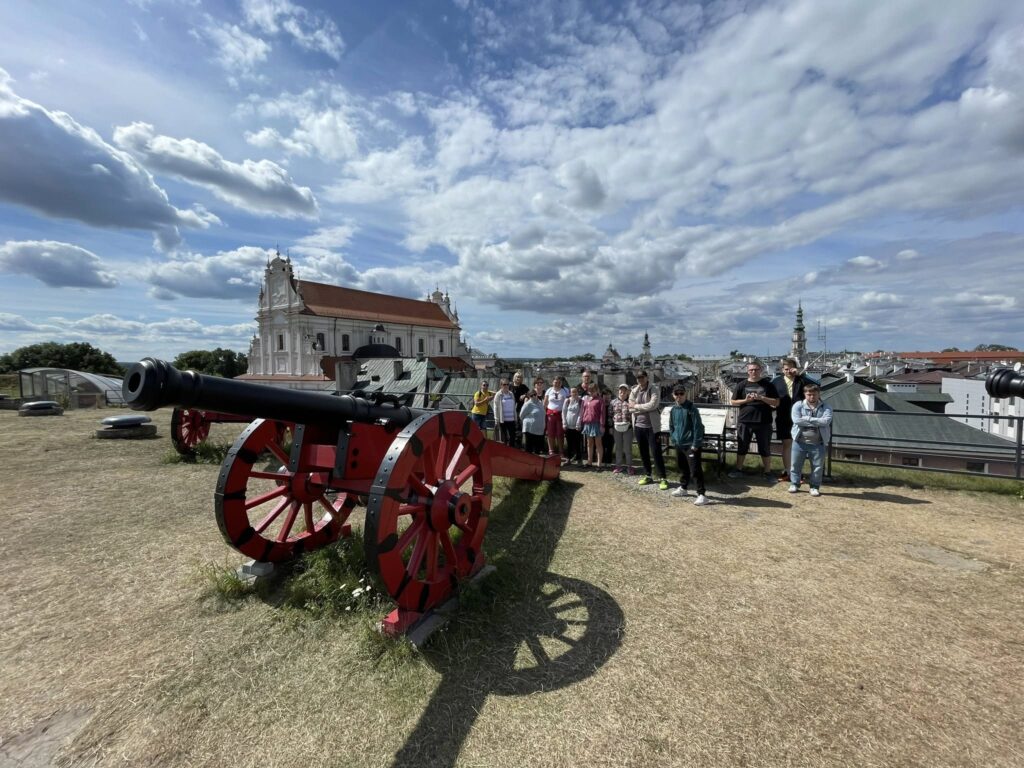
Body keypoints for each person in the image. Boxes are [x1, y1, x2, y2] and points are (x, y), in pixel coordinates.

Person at [728, 361, 779, 480]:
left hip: (764, 421)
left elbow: (776, 402)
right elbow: (733, 401)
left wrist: (762, 398)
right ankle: (738, 469)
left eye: (756, 369)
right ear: (748, 371)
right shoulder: (741, 385)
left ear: (760, 370)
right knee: (742, 446)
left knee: (765, 447)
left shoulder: (768, 385)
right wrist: (746, 400)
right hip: (745, 421)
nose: (753, 372)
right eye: (751, 370)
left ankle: (767, 472)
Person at [788, 384, 833, 496]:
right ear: (805, 394)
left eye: (814, 394)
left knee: (817, 467)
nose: (811, 397)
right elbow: (797, 420)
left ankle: (814, 486)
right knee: (795, 465)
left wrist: (807, 418)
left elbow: (826, 421)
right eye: (809, 394)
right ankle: (794, 483)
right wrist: (817, 421)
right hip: (799, 442)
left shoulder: (826, 407)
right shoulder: (798, 405)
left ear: (819, 394)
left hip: (818, 443)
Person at [668, 385, 708, 506]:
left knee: (695, 470)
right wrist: (673, 438)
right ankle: (683, 488)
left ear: (685, 394)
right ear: (673, 395)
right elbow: (671, 426)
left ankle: (702, 494)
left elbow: (698, 427)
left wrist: (696, 443)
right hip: (679, 443)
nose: (679, 396)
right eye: (676, 394)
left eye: (681, 394)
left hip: (690, 444)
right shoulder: (674, 409)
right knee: (683, 467)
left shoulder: (691, 408)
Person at [629, 370, 669, 489]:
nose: (640, 379)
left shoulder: (653, 389)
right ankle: (648, 475)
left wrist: (636, 406)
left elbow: (653, 405)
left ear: (647, 378)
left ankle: (663, 478)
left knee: (656, 452)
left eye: (642, 377)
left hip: (652, 427)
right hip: (638, 426)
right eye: (638, 377)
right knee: (643, 452)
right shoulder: (634, 391)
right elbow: (629, 408)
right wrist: (642, 408)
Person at [772, 357, 807, 481]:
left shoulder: (801, 380)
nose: (788, 371)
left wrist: (801, 374)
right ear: (782, 370)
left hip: (799, 417)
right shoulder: (776, 382)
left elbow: (817, 384)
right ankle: (788, 471)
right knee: (787, 444)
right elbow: (770, 396)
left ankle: (797, 471)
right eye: (786, 369)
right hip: (783, 417)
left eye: (791, 368)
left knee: (798, 445)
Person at [580, 382, 606, 469]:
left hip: (597, 424)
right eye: (590, 391)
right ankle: (589, 461)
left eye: (593, 391)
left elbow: (602, 413)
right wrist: (582, 421)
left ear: (597, 390)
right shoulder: (586, 400)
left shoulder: (600, 400)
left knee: (598, 443)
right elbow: (583, 411)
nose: (591, 392)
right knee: (589, 443)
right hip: (587, 423)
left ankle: (599, 464)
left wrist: (602, 425)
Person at [610, 384, 634, 474]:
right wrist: (610, 427)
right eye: (621, 391)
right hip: (616, 428)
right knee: (618, 448)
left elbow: (634, 415)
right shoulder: (613, 402)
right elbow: (610, 415)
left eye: (624, 391)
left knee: (628, 448)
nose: (622, 393)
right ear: (618, 392)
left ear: (627, 392)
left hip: (628, 428)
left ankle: (629, 466)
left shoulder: (631, 403)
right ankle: (618, 466)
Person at [543, 375, 570, 456]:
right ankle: (551, 450)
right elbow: (545, 403)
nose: (557, 384)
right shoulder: (549, 390)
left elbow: (568, 402)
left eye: (559, 382)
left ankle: (561, 450)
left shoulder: (565, 390)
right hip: (550, 415)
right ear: (552, 382)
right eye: (555, 382)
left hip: (561, 415)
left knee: (560, 433)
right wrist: (543, 414)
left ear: (561, 383)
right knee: (550, 433)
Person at [562, 386, 584, 466]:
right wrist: (564, 423)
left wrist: (578, 424)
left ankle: (579, 459)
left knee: (578, 443)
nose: (574, 393)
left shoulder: (581, 401)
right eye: (572, 392)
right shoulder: (567, 401)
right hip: (568, 426)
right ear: (570, 393)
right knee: (569, 443)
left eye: (575, 392)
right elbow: (564, 412)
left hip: (576, 426)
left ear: (578, 392)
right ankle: (568, 459)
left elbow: (580, 413)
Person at [519, 390, 547, 454]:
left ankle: (536, 463)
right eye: (531, 395)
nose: (534, 396)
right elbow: (521, 415)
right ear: (529, 397)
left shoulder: (540, 403)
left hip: (539, 430)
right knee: (529, 449)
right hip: (530, 429)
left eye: (535, 394)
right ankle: (528, 462)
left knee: (538, 449)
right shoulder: (528, 404)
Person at [492, 379, 518, 447]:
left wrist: (515, 417)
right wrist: (496, 419)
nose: (506, 386)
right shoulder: (498, 394)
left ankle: (511, 451)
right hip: (503, 420)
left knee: (512, 436)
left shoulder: (511, 394)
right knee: (504, 438)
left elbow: (514, 406)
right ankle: (504, 452)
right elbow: (495, 407)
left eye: (507, 384)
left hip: (511, 419)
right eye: (504, 384)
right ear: (501, 385)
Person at [511, 371, 530, 448]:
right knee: (511, 427)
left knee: (519, 426)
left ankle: (518, 445)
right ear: (514, 378)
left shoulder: (524, 387)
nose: (518, 378)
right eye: (517, 377)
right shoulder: (510, 386)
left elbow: (531, 393)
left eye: (520, 377)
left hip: (520, 409)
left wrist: (525, 395)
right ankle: (511, 444)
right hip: (510, 409)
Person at [601, 387, 615, 465]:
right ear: (602, 396)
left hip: (610, 427)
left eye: (608, 395)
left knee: (610, 444)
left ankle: (609, 461)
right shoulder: (600, 405)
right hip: (601, 427)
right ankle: (602, 460)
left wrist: (611, 427)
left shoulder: (613, 405)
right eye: (605, 395)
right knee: (602, 444)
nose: (607, 397)